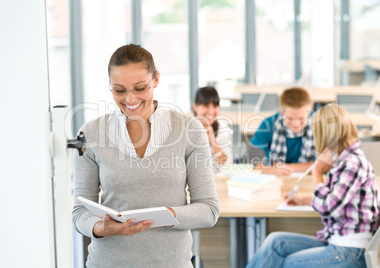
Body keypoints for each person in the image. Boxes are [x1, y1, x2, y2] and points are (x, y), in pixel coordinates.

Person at [72, 44, 220, 267]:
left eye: (140, 88)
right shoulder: (91, 133)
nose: (130, 100)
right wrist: (101, 228)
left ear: (156, 79)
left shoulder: (189, 129)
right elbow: (80, 211)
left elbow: (209, 210)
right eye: (119, 90)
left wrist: (165, 214)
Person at [246, 104, 379, 268]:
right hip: (338, 241)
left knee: (287, 264)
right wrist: (304, 200)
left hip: (349, 251)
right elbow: (339, 199)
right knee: (276, 242)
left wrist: (317, 172)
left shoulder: (351, 163)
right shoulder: (346, 159)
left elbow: (329, 207)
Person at [248, 87, 315, 176]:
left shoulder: (320, 125)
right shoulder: (268, 124)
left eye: (301, 118)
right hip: (275, 179)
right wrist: (271, 170)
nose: (296, 123)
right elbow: (251, 159)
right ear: (282, 113)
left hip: (310, 180)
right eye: (290, 118)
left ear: (309, 112)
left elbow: (327, 164)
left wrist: (288, 168)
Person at [192, 86, 233, 171]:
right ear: (195, 107)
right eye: (206, 105)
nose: (211, 112)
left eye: (215, 106)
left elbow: (228, 167)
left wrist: (213, 142)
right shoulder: (186, 128)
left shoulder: (222, 129)